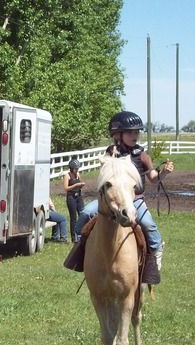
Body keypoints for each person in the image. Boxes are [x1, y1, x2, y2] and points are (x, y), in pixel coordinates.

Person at [67, 111, 174, 283]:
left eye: (136, 132)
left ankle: (154, 258)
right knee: (86, 213)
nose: (135, 135)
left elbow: (153, 178)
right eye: (130, 132)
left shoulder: (142, 155)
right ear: (118, 134)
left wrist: (164, 173)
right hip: (111, 199)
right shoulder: (110, 153)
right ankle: (80, 249)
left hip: (135, 200)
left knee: (149, 226)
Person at [62, 158, 85, 243]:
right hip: (71, 197)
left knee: (82, 214)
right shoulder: (67, 176)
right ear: (71, 168)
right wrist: (75, 185)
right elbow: (66, 188)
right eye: (76, 168)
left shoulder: (78, 174)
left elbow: (80, 183)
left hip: (78, 196)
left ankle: (82, 235)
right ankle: (73, 237)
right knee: (73, 218)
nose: (77, 170)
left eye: (78, 168)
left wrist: (81, 185)